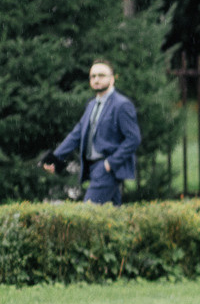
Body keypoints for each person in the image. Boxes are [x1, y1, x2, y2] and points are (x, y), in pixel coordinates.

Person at [42, 59, 142, 204]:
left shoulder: (122, 105)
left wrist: (110, 163)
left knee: (88, 210)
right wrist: (55, 158)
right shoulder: (91, 104)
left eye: (101, 75)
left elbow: (133, 139)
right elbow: (76, 135)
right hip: (93, 168)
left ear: (112, 79)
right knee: (112, 213)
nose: (96, 79)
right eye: (93, 76)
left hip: (107, 168)